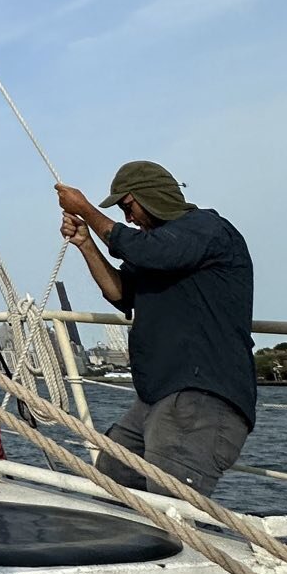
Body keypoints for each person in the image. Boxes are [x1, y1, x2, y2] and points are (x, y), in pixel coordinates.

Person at [55, 160, 254, 498]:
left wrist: (87, 210)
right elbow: (121, 293)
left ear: (151, 196)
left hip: (201, 394)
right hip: (159, 397)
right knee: (112, 475)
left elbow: (150, 251)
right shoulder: (161, 249)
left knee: (171, 504)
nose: (128, 218)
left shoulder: (205, 229)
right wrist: (86, 245)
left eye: (128, 207)